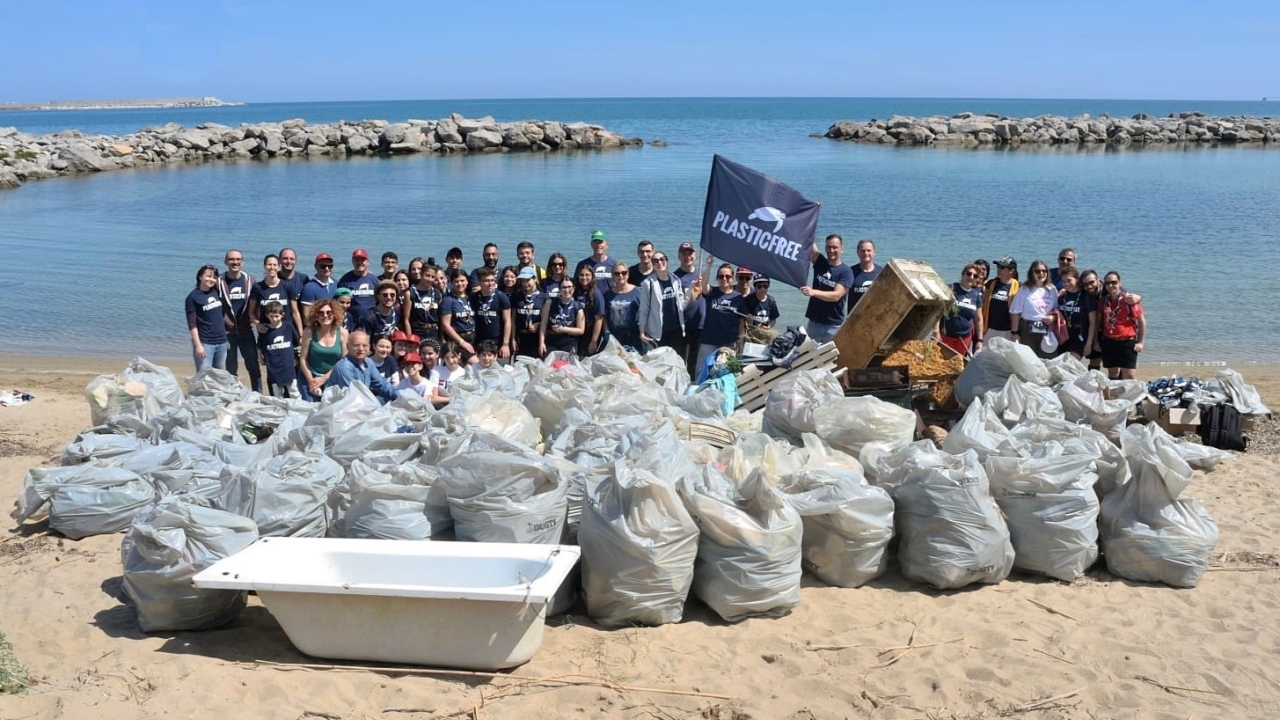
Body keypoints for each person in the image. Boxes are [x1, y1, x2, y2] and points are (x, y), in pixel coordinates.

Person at [800, 234, 854, 343]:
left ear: (842, 249)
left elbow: (836, 296)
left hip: (833, 326)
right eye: (829, 247)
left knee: (830, 354)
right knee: (808, 353)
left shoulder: (846, 271)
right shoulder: (820, 262)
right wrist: (804, 227)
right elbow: (809, 241)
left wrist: (813, 292)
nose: (831, 250)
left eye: (835, 247)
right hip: (814, 323)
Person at [1092, 271, 1147, 380]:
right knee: (1113, 373)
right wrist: (1095, 341)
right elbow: (1098, 322)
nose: (1111, 285)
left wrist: (1141, 342)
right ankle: (1115, 391)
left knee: (1129, 375)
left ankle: (1128, 391)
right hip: (1109, 341)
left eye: (1114, 282)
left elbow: (1142, 322)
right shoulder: (1104, 301)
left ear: (1120, 283)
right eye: (1107, 283)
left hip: (1127, 342)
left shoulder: (1129, 300)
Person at [219, 249, 260, 392]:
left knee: (253, 367)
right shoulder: (219, 281)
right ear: (225, 262)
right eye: (231, 259)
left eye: (238, 259)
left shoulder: (250, 280)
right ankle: (233, 395)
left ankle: (258, 395)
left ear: (242, 262)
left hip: (246, 331)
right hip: (227, 333)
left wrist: (257, 321)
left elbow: (258, 303)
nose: (235, 262)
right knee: (230, 369)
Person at [325, 330, 399, 403]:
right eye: (356, 345)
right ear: (348, 347)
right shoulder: (344, 367)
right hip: (344, 406)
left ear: (369, 347)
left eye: (364, 345)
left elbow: (382, 385)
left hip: (362, 402)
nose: (361, 349)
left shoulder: (368, 362)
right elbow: (352, 396)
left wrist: (400, 397)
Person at [696, 261, 742, 373]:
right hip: (709, 340)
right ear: (717, 278)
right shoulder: (712, 292)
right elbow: (703, 285)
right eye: (721, 276)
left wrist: (741, 341)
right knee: (701, 371)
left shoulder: (738, 297)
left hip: (729, 342)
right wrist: (709, 266)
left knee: (724, 372)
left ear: (733, 279)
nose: (724, 279)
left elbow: (741, 321)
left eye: (728, 276)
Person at [637, 251, 687, 354]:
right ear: (652, 264)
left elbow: (681, 304)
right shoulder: (648, 283)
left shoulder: (675, 279)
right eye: (655, 261)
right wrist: (642, 333)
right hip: (657, 333)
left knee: (676, 361)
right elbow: (643, 309)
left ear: (667, 261)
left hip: (676, 330)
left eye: (662, 259)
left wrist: (691, 291)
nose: (659, 262)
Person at [1009, 259, 1059, 359]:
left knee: (1047, 360)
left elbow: (1057, 309)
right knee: (1028, 360)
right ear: (1032, 273)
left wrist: (1053, 318)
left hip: (1047, 329)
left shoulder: (1052, 289)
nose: (1041, 273)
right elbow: (1015, 312)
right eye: (1037, 271)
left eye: (1044, 271)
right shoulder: (1025, 289)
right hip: (1027, 329)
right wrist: (1015, 333)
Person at [299, 299, 345, 400]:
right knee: (309, 407)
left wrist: (324, 378)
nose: (325, 315)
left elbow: (344, 362)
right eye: (321, 313)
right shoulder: (309, 331)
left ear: (334, 314)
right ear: (315, 315)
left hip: (333, 376)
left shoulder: (343, 333)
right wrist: (311, 382)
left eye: (329, 312)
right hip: (310, 376)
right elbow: (303, 359)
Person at [936, 263, 985, 357]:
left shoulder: (976, 295)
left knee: (958, 363)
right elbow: (938, 310)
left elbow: (978, 319)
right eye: (969, 273)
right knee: (940, 362)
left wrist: (980, 340)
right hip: (945, 336)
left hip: (964, 339)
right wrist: (936, 331)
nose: (971, 277)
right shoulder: (951, 288)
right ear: (963, 274)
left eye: (975, 276)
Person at [187, 264, 228, 372]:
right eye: (208, 276)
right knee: (204, 376)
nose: (211, 280)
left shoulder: (218, 292)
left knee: (220, 377)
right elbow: (192, 325)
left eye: (214, 277)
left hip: (222, 342)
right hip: (205, 343)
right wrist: (198, 345)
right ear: (200, 277)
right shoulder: (193, 297)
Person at [249, 254, 302, 336]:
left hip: (286, 332)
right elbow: (251, 312)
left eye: (274, 265)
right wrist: (257, 324)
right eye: (269, 264)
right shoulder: (257, 287)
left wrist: (301, 334)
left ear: (279, 267)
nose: (272, 267)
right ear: (264, 267)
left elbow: (295, 312)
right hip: (267, 333)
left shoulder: (287, 286)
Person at [257, 302, 300, 398]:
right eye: (271, 316)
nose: (274, 319)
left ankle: (298, 407)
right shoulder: (264, 330)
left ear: (282, 315)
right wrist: (260, 358)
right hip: (273, 366)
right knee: (277, 393)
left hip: (288, 365)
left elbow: (296, 342)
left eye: (276, 316)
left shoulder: (288, 327)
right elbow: (259, 346)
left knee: (294, 391)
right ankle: (279, 407)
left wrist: (296, 357)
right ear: (267, 316)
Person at [674, 242, 704, 375]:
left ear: (695, 255)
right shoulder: (675, 277)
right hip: (683, 326)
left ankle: (692, 383)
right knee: (681, 361)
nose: (687, 257)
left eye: (690, 253)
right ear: (679, 256)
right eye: (684, 254)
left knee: (695, 363)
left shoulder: (701, 274)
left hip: (700, 325)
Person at [471, 267, 512, 361]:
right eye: (486, 281)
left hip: (497, 341)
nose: (490, 283)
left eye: (492, 280)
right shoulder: (474, 297)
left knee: (500, 368)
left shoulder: (501, 297)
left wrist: (505, 344)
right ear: (479, 282)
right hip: (480, 340)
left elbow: (507, 321)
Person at [540, 277, 585, 357]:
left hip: (569, 340)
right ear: (559, 289)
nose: (566, 290)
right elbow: (543, 323)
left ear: (574, 288)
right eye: (563, 287)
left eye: (569, 287)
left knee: (567, 363)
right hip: (551, 340)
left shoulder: (578, 306)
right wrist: (541, 343)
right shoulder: (550, 302)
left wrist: (563, 329)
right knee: (549, 363)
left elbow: (581, 330)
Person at [603, 261, 642, 351]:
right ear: (612, 276)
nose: (620, 276)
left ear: (628, 274)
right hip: (614, 337)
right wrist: (606, 331)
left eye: (624, 273)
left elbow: (645, 313)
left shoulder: (638, 292)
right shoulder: (607, 294)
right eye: (617, 273)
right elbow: (604, 315)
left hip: (634, 336)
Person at [440, 269, 477, 360]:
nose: (460, 284)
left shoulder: (471, 297)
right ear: (452, 283)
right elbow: (445, 325)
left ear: (467, 281)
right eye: (456, 281)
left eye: (462, 280)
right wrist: (462, 342)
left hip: (474, 337)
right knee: (475, 362)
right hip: (458, 340)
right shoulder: (448, 300)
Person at [982, 256, 1020, 342]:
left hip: (1007, 330)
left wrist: (1016, 332)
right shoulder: (990, 284)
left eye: (1002, 267)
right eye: (998, 266)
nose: (998, 269)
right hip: (989, 329)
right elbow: (983, 303)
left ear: (1011, 270)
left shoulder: (1018, 286)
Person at [511, 267, 546, 358]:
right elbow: (513, 320)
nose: (525, 284)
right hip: (521, 337)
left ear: (535, 279)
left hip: (537, 338)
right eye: (522, 281)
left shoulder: (543, 297)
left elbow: (545, 319)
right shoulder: (516, 296)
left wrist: (538, 324)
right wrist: (513, 339)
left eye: (528, 280)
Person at [1056, 267, 1089, 359]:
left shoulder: (1084, 295)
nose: (1066, 283)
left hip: (1079, 334)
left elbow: (1093, 321)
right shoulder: (1062, 295)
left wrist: (1090, 343)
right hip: (1063, 334)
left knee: (1071, 362)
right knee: (1059, 363)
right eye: (1063, 281)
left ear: (1077, 279)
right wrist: (1058, 296)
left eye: (1069, 280)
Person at [739, 275, 780, 347]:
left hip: (764, 333)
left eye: (765, 286)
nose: (762, 289)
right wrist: (749, 322)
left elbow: (773, 319)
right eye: (759, 286)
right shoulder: (748, 300)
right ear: (755, 287)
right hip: (750, 333)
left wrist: (769, 326)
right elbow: (741, 320)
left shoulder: (771, 301)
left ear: (769, 287)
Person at [574, 264, 606, 356]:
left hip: (590, 331)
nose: (584, 277)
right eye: (581, 275)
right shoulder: (575, 291)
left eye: (587, 275)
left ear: (592, 276)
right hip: (577, 330)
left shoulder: (596, 293)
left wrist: (593, 341)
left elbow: (599, 319)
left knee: (586, 357)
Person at [405, 263, 442, 342]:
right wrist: (409, 338)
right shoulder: (410, 292)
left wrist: (442, 338)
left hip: (433, 332)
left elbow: (440, 318)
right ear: (421, 274)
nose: (430, 279)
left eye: (433, 277)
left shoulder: (437, 293)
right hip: (417, 331)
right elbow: (406, 319)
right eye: (427, 275)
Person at [338, 249, 379, 319]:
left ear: (368, 262)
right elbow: (339, 302)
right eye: (357, 260)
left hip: (372, 320)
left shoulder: (374, 280)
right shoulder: (345, 280)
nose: (359, 262)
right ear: (352, 261)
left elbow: (380, 300)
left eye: (362, 260)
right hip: (352, 320)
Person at [847, 238, 882, 313]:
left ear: (874, 252)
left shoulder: (882, 272)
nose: (866, 253)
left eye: (869, 250)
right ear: (858, 253)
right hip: (854, 317)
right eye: (863, 251)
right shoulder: (850, 272)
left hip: (877, 316)